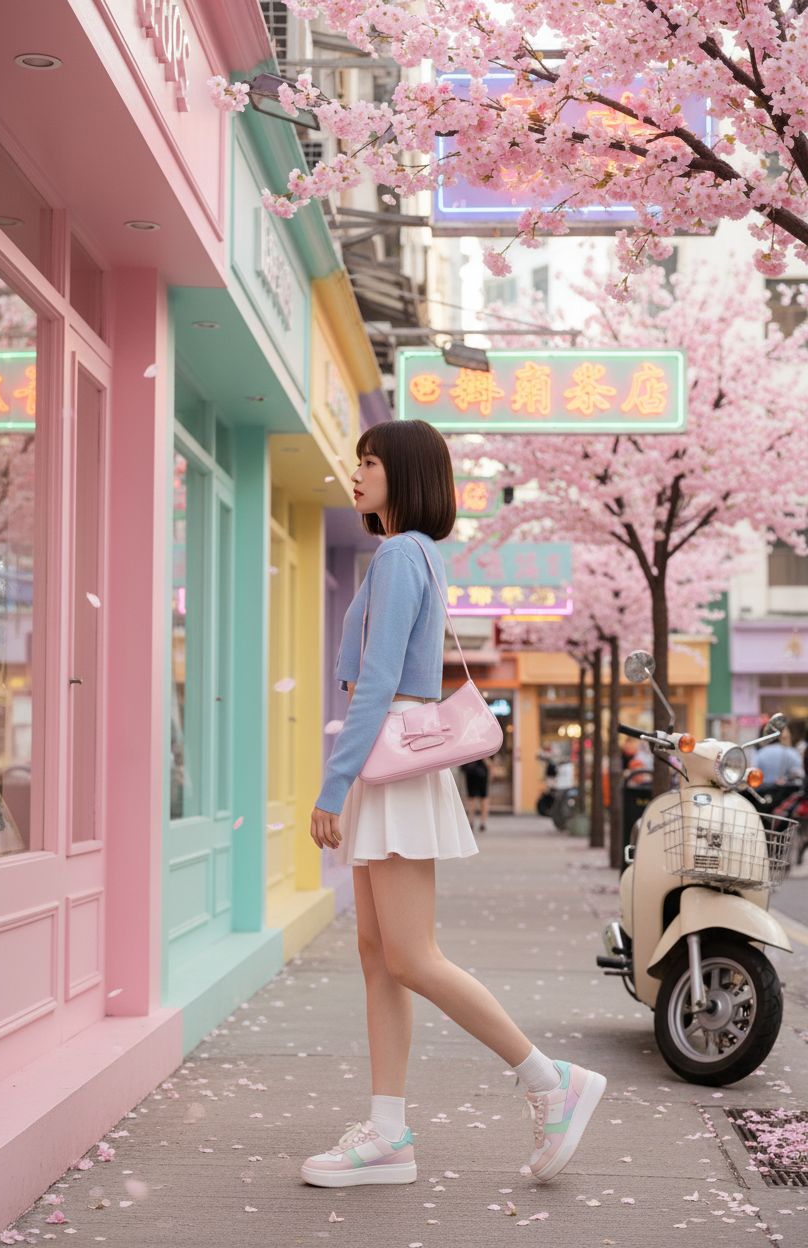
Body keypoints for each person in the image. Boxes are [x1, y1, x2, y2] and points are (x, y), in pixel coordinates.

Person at [303, 419, 606, 1188]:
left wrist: (334, 783)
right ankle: (387, 1134)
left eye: (369, 463)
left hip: (391, 759)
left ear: (403, 475)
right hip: (388, 761)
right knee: (380, 958)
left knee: (408, 955)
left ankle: (547, 1080)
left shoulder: (403, 554)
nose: (357, 473)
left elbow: (375, 682)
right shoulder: (398, 556)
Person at [460, 755, 494, 831]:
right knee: (474, 798)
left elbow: (490, 763)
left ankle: (481, 822)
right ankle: (473, 821)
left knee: (482, 798)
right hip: (473, 773)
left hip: (480, 773)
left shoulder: (485, 746)